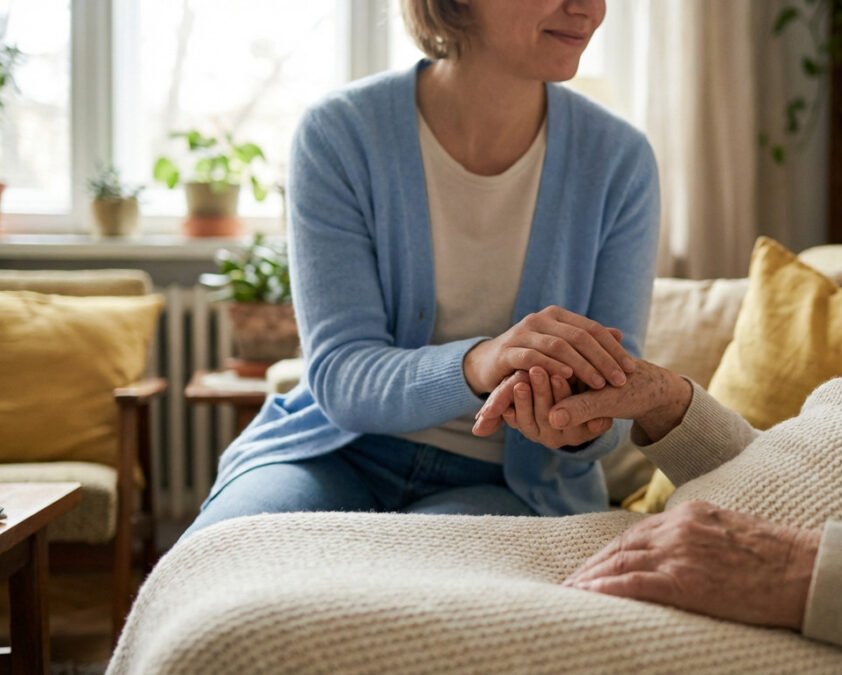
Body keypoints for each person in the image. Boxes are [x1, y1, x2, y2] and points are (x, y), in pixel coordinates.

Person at [474, 0, 842, 671]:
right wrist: (664, 402)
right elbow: (812, 480)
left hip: (817, 628)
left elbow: (809, 539)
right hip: (658, 561)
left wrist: (795, 575)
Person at [185, 0, 659, 536]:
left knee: (407, 606)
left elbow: (619, 392)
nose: (588, 9)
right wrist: (481, 363)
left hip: (505, 486)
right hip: (328, 454)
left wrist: (577, 425)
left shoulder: (620, 161)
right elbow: (341, 373)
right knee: (224, 561)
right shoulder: (340, 135)